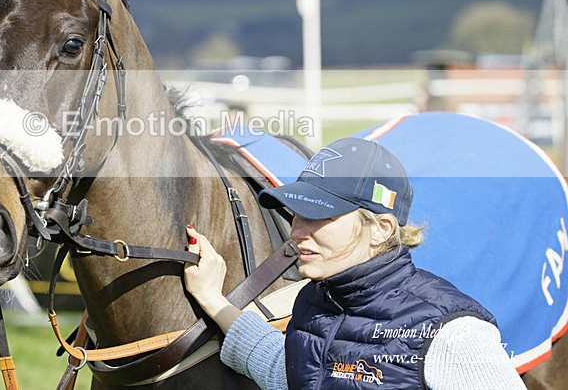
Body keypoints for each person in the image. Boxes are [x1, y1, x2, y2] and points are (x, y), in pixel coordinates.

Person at [184, 137, 524, 389]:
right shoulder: (315, 301)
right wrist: (213, 299)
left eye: (319, 217)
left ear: (380, 228)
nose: (297, 232)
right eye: (298, 215)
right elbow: (284, 371)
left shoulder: (453, 333)